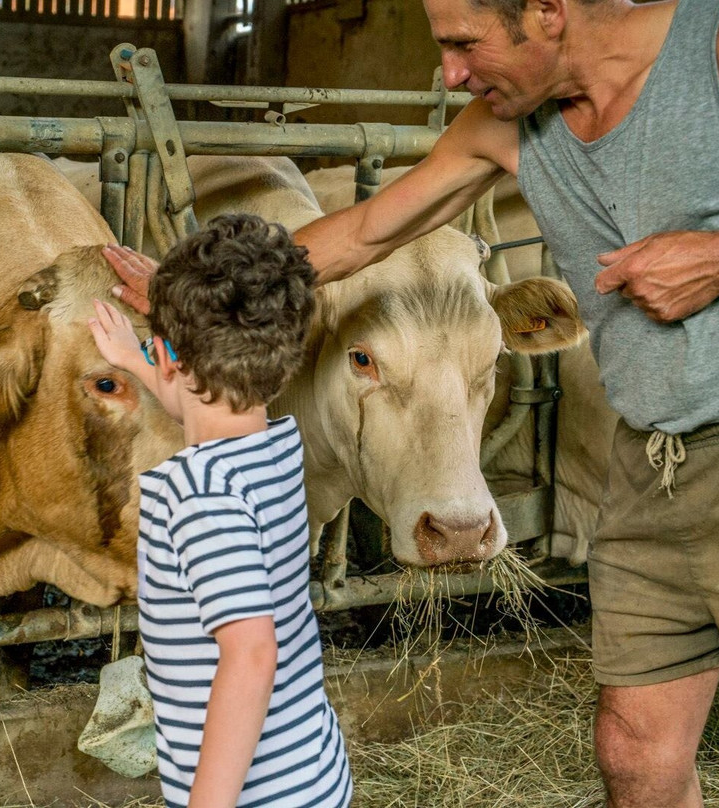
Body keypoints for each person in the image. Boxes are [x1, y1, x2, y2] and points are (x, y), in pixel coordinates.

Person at [105, 1, 719, 806]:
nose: (454, 73)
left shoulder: (705, 47)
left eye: (466, 44)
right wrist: (200, 293)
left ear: (547, 10)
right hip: (653, 461)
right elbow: (362, 234)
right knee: (634, 750)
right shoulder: (504, 124)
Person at [89, 214, 353, 808]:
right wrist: (139, 361)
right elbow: (202, 404)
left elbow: (252, 654)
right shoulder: (275, 445)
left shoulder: (200, 495)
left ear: (170, 355)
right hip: (312, 768)